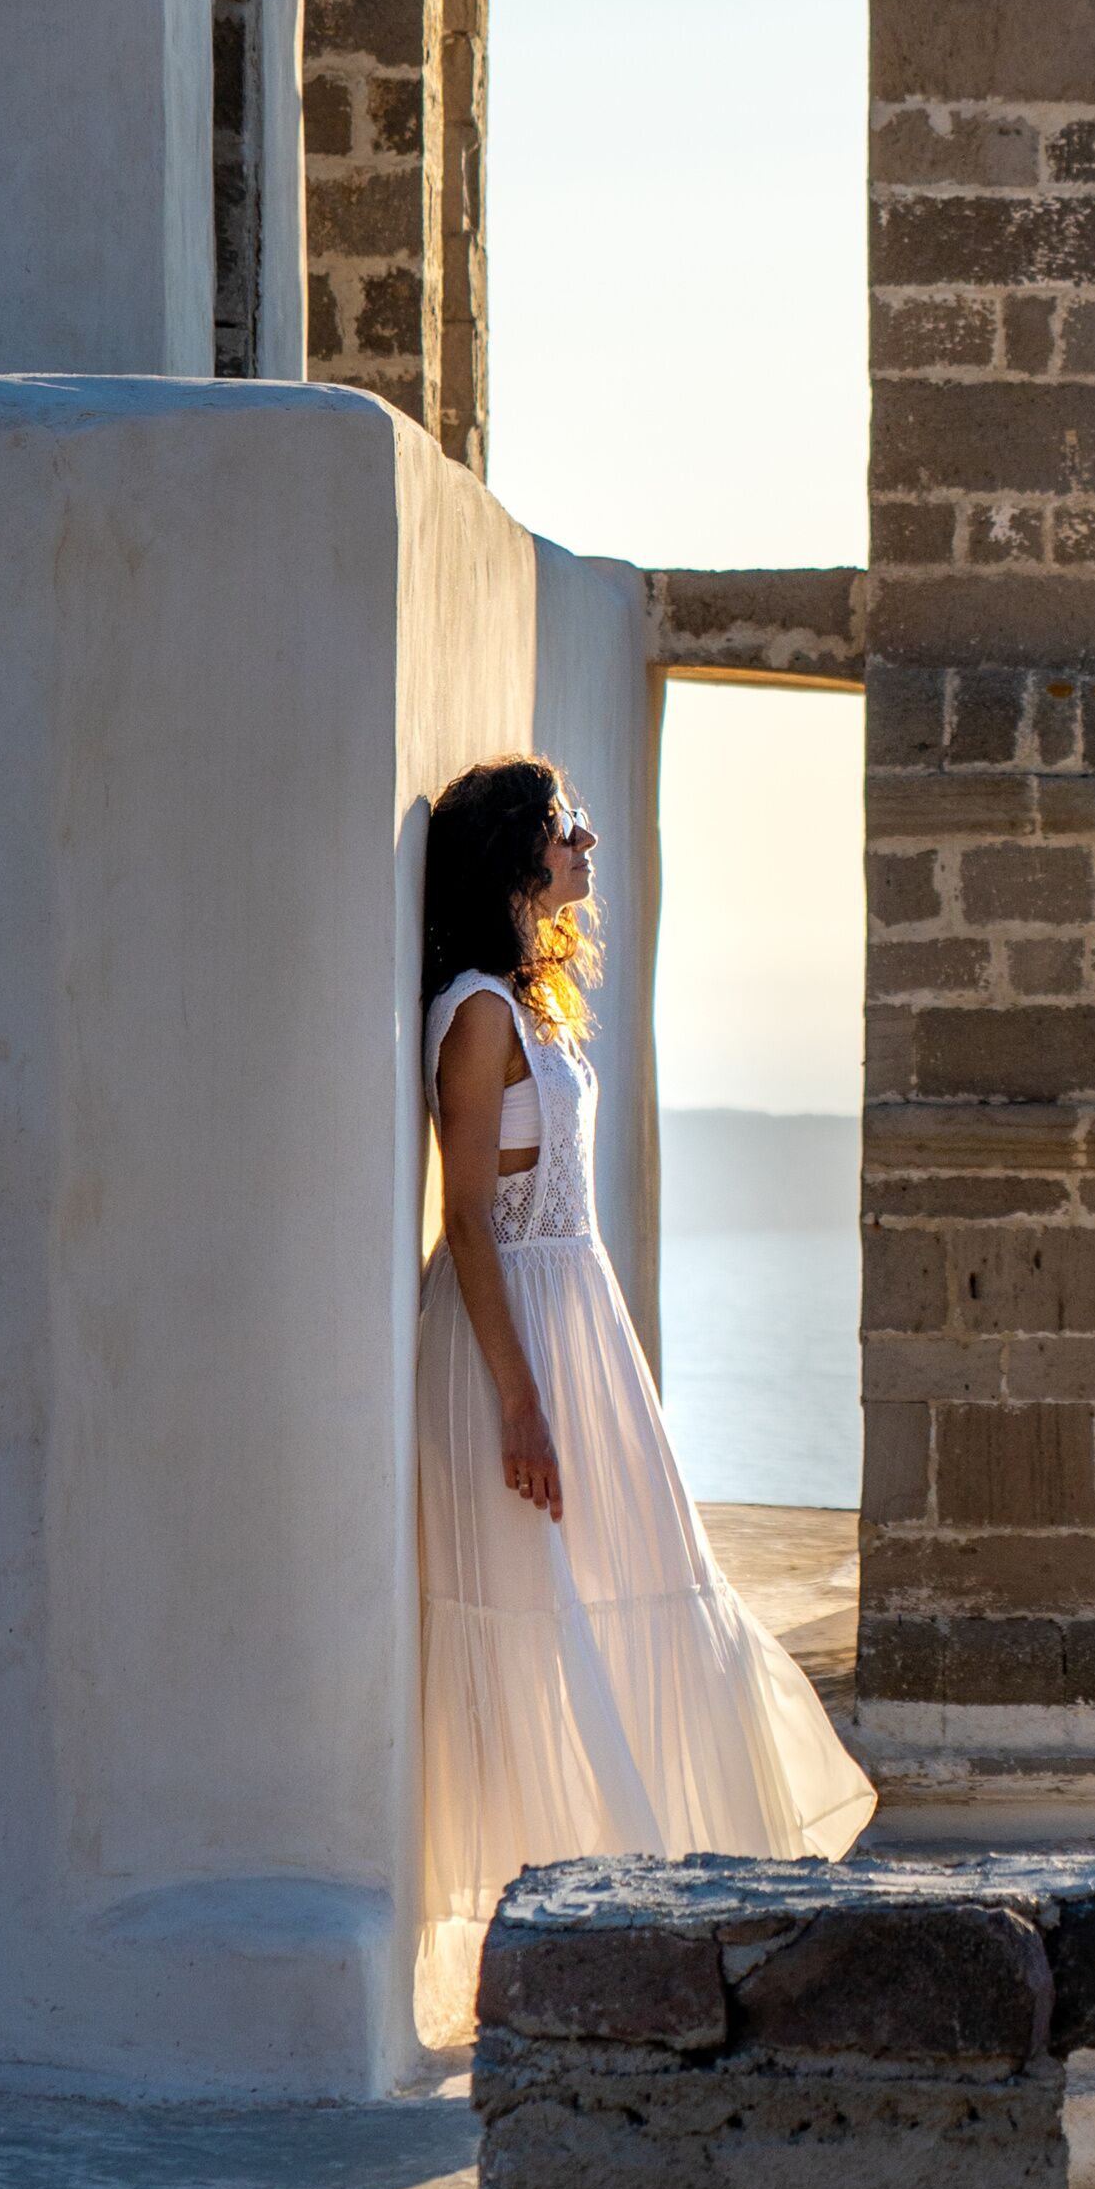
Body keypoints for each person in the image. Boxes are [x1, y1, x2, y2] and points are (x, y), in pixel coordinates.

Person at [415, 753, 875, 2034]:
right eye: (567, 829)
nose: (588, 843)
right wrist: (517, 1401)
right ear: (517, 856)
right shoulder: (475, 1015)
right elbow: (465, 1220)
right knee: (540, 1610)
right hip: (515, 1342)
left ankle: (656, 1896)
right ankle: (576, 1929)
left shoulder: (532, 1000)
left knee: (646, 1587)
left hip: (580, 1328)